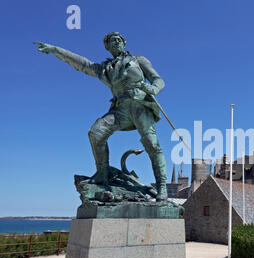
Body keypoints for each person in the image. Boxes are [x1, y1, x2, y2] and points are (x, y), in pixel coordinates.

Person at [34, 32, 168, 202]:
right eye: (112, 41)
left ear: (124, 43)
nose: (116, 42)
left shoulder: (138, 60)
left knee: (151, 144)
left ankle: (162, 187)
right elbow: (83, 64)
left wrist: (154, 89)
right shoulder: (105, 69)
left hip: (139, 105)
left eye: (119, 40)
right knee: (96, 133)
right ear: (107, 47)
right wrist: (56, 50)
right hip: (120, 109)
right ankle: (102, 173)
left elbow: (158, 79)